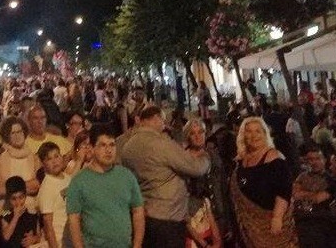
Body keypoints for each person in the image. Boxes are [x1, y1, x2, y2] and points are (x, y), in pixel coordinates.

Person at [120, 105, 210, 248]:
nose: (164, 125)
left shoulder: (127, 146)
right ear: (156, 118)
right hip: (168, 217)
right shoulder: (161, 144)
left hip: (144, 216)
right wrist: (205, 158)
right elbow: (196, 168)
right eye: (163, 121)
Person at [66, 125, 145, 248]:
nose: (109, 150)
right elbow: (74, 219)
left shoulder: (126, 176)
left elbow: (138, 211)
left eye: (112, 145)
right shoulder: (79, 181)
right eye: (103, 145)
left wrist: (137, 245)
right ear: (92, 148)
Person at [230, 117, 297, 247]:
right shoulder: (242, 161)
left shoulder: (274, 158)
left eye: (257, 131)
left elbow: (284, 190)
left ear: (265, 134)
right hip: (249, 227)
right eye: (249, 131)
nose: (253, 136)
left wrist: (277, 217)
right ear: (243, 135)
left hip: (270, 225)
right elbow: (243, 183)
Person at [183, 119, 228, 247]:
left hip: (218, 213)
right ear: (188, 136)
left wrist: (228, 219)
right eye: (193, 133)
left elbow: (223, 187)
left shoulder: (213, 155)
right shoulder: (183, 158)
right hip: (196, 216)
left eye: (201, 132)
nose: (198, 136)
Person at [291, 143, 335, 248]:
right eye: (310, 159)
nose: (314, 162)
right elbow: (294, 194)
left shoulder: (330, 179)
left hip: (319, 220)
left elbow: (318, 198)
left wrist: (303, 193)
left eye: (317, 158)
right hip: (301, 219)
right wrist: (314, 194)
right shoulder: (302, 176)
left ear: (324, 160)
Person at [0, 116, 41, 204]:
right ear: (7, 136)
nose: (17, 136)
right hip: (8, 206)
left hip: (31, 205)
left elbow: (37, 185)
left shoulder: (34, 158)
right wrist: (27, 186)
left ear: (24, 133)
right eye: (13, 133)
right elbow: (0, 190)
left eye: (19, 131)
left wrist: (12, 187)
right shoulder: (1, 160)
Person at [37, 141, 72, 248]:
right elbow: (48, 225)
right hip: (60, 241)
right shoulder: (47, 187)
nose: (54, 161)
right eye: (49, 159)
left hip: (72, 237)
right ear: (43, 164)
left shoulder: (68, 178)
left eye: (56, 156)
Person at [0, 176, 41, 248]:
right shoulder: (5, 214)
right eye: (13, 199)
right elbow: (6, 237)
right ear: (8, 199)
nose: (18, 202)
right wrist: (16, 216)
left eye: (21, 197)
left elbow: (39, 236)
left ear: (25, 196)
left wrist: (34, 239)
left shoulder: (32, 215)